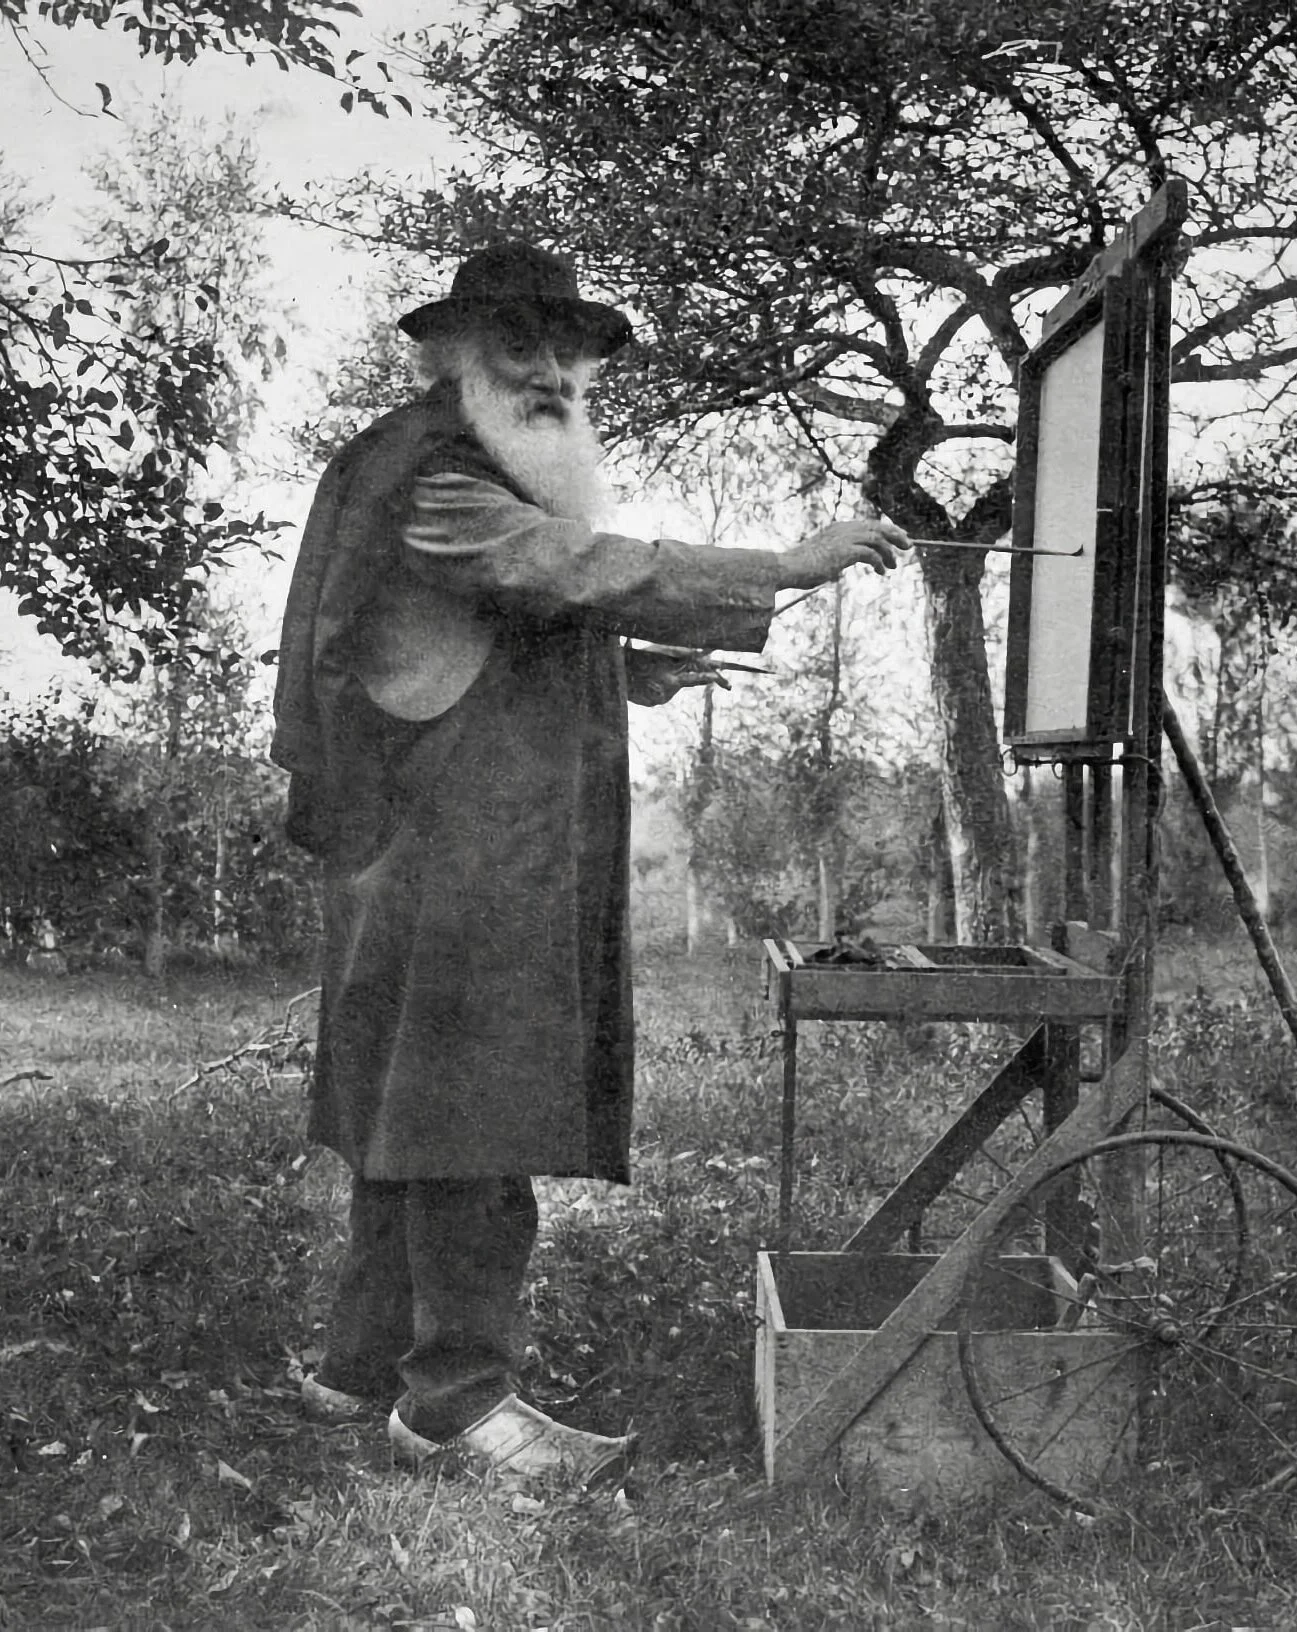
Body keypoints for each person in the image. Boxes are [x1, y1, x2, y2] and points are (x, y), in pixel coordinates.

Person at [270, 243, 904, 1483]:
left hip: (437, 844)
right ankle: (456, 1403)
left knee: (409, 1104)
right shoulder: (433, 476)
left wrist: (632, 672)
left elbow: (481, 631)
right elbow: (568, 568)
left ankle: (357, 1370)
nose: (552, 373)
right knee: (470, 1108)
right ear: (454, 356)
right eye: (521, 345)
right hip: (450, 854)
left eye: (568, 351)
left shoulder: (448, 462)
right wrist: (785, 566)